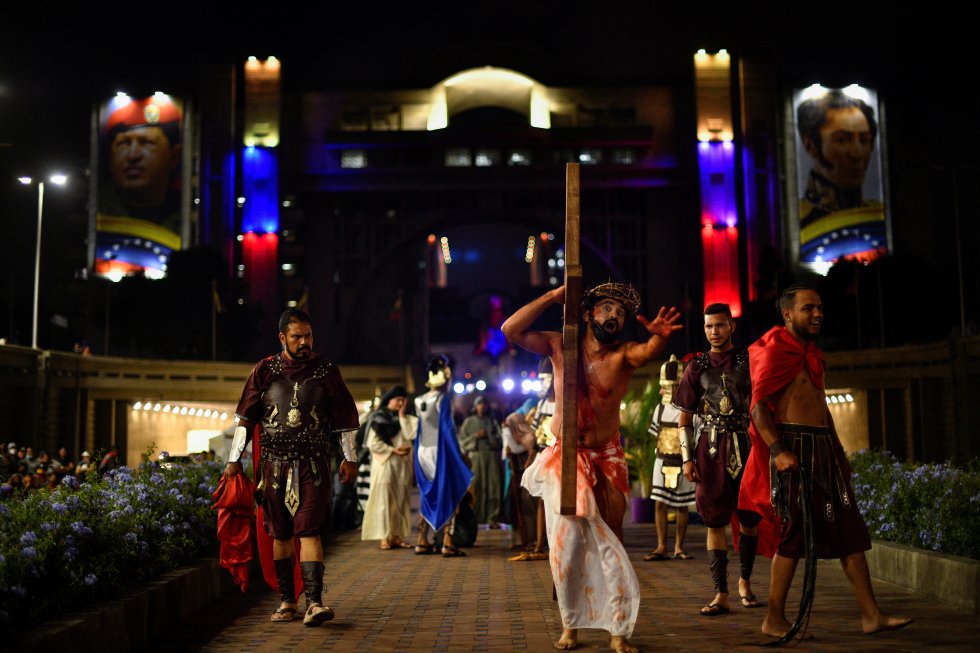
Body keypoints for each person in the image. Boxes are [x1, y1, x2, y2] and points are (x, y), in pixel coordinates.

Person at [502, 282, 681, 653]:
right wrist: (553, 297)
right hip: (565, 457)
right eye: (606, 309)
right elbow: (510, 330)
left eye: (619, 312)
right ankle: (571, 626)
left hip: (607, 456)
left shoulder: (622, 356)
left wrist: (660, 339)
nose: (613, 315)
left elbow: (647, 351)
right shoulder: (559, 346)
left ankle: (618, 630)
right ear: (588, 315)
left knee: (611, 544)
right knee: (566, 548)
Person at [740, 284, 912, 638]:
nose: (817, 314)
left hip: (824, 450)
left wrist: (836, 450)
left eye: (819, 307)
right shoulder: (774, 351)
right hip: (795, 449)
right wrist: (778, 450)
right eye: (808, 308)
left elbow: (819, 407)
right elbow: (757, 407)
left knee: (850, 532)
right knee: (794, 536)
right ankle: (773, 618)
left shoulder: (813, 354)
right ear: (787, 314)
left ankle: (871, 614)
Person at [224, 308, 360, 626]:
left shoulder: (326, 370)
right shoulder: (264, 370)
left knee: (310, 530)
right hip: (273, 468)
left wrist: (350, 457)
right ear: (282, 338)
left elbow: (344, 418)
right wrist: (233, 460)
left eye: (308, 335)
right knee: (281, 535)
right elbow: (245, 419)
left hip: (313, 465)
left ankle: (314, 603)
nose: (304, 342)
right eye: (297, 336)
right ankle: (287, 601)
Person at [675, 303, 761, 616]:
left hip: (746, 445)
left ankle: (746, 582)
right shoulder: (696, 365)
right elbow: (684, 418)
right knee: (714, 521)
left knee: (750, 519)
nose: (715, 332)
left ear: (731, 326)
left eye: (720, 325)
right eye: (709, 326)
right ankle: (721, 592)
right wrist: (687, 460)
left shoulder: (748, 361)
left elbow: (761, 404)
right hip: (709, 450)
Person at [796, 91, 885, 263]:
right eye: (842, 140)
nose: (856, 153)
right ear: (810, 145)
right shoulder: (801, 218)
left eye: (864, 140)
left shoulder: (878, 213)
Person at [408, 355, 474, 557]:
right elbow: (447, 429)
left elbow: (420, 430)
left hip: (422, 451)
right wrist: (458, 455)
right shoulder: (442, 398)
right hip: (440, 452)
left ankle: (421, 540)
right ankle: (447, 542)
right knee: (449, 493)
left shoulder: (419, 400)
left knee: (428, 495)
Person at [643, 354, 696, 562]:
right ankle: (661, 546)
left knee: (682, 505)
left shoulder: (689, 409)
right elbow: (655, 436)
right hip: (662, 461)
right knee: (660, 503)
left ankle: (678, 547)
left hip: (683, 461)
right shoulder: (660, 408)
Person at [360, 385, 417, 550]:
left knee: (400, 500)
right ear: (389, 399)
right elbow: (373, 444)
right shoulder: (379, 418)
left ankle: (397, 536)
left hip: (402, 465)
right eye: (398, 400)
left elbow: (411, 435)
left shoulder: (406, 418)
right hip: (385, 463)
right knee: (384, 501)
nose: (400, 403)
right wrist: (393, 450)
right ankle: (384, 537)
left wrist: (402, 416)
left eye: (403, 400)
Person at [457, 395, 503, 527]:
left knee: (494, 487)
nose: (482, 406)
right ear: (475, 406)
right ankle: (475, 517)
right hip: (476, 457)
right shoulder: (469, 422)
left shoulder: (492, 421)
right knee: (477, 486)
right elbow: (462, 441)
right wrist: (475, 437)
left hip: (491, 456)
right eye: (479, 404)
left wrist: (489, 436)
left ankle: (492, 518)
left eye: (484, 404)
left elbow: (500, 439)